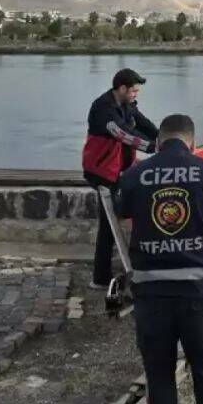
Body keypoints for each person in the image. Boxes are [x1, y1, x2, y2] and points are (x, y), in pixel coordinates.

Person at [119, 114, 203, 404]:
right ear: (193, 144)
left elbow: (121, 209)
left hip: (152, 295)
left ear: (159, 142)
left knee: (159, 376)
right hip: (201, 294)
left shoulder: (135, 175)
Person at [81, 68, 158, 289]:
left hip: (119, 170)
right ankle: (100, 278)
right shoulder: (104, 109)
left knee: (124, 213)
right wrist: (153, 147)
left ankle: (130, 263)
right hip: (101, 173)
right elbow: (122, 133)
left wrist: (164, 137)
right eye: (133, 91)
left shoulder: (126, 104)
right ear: (122, 88)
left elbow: (141, 123)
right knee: (108, 225)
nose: (136, 94)